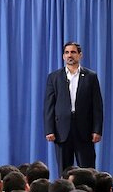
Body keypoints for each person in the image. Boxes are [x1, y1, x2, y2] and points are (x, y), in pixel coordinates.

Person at [44, 41, 103, 173]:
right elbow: (49, 105)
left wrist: (97, 130)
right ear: (63, 56)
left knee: (88, 170)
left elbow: (97, 105)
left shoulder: (91, 76)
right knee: (64, 170)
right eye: (67, 52)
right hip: (62, 131)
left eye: (73, 52)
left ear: (80, 55)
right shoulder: (54, 77)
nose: (70, 55)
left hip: (84, 130)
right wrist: (49, 130)